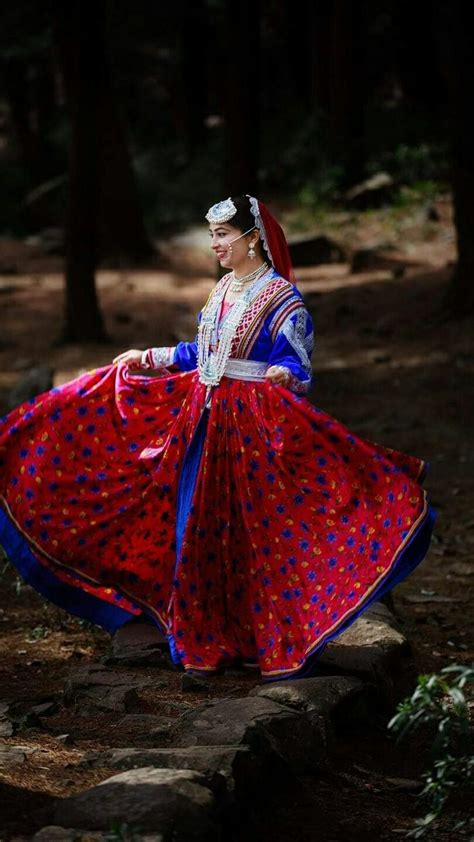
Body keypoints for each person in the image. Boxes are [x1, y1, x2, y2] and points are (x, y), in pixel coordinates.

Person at [0, 194, 437, 681]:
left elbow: (297, 363)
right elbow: (200, 351)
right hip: (202, 422)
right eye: (211, 236)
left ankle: (251, 636)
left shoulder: (282, 299)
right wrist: (151, 356)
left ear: (253, 239)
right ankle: (202, 638)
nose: (215, 245)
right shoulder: (224, 288)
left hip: (250, 431)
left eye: (223, 236)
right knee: (195, 529)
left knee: (249, 536)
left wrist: (283, 374)